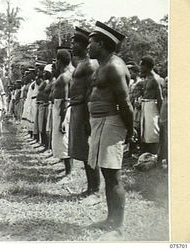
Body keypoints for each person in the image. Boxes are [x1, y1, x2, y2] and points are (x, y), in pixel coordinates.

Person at [87, 21, 134, 230]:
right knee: (106, 172)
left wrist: (130, 131)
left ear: (102, 44)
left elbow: (125, 102)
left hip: (111, 122)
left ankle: (118, 227)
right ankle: (110, 220)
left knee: (112, 175)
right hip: (100, 122)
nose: (88, 47)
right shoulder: (103, 64)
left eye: (92, 43)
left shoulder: (114, 66)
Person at [68, 27, 100, 196]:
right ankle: (90, 187)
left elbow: (90, 92)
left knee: (89, 151)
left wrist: (88, 118)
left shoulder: (89, 65)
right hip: (76, 108)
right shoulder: (82, 63)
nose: (72, 46)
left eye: (74, 43)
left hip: (84, 110)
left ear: (82, 44)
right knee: (83, 150)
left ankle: (94, 189)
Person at [51, 49, 74, 178]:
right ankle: (67, 170)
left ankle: (69, 173)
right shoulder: (68, 73)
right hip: (61, 107)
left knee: (64, 139)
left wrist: (63, 119)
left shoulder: (65, 76)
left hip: (62, 108)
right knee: (63, 139)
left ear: (59, 61)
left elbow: (65, 99)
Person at [139, 56, 163, 154]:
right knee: (145, 132)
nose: (140, 67)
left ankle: (155, 155)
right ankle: (147, 154)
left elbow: (160, 97)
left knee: (153, 131)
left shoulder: (155, 79)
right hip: (145, 105)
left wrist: (160, 114)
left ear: (146, 66)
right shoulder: (147, 78)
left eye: (141, 65)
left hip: (152, 106)